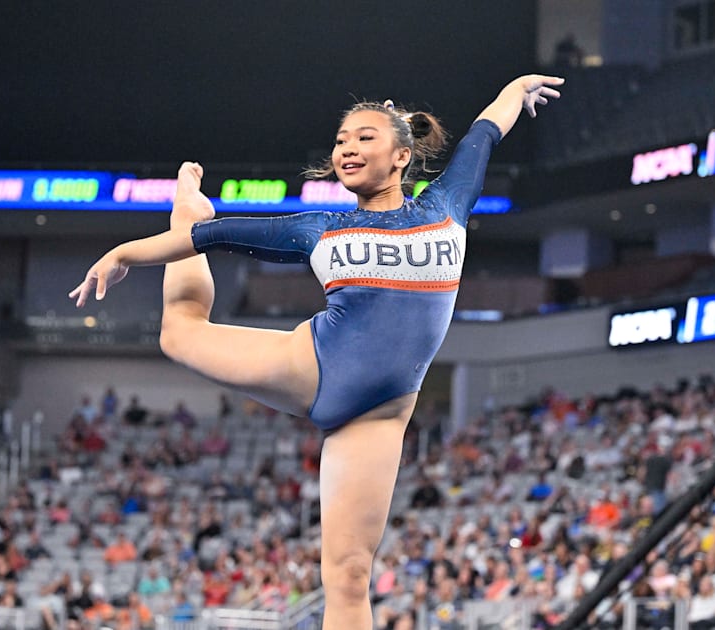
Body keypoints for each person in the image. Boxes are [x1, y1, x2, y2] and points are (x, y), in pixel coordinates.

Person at [71, 74, 564, 628]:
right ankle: (187, 205)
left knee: (350, 575)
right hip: (315, 366)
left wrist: (517, 89)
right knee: (179, 332)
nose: (347, 149)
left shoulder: (446, 204)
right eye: (341, 140)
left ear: (402, 154)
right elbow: (211, 240)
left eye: (364, 138)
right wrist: (125, 254)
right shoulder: (321, 228)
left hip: (379, 417)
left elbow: (485, 132)